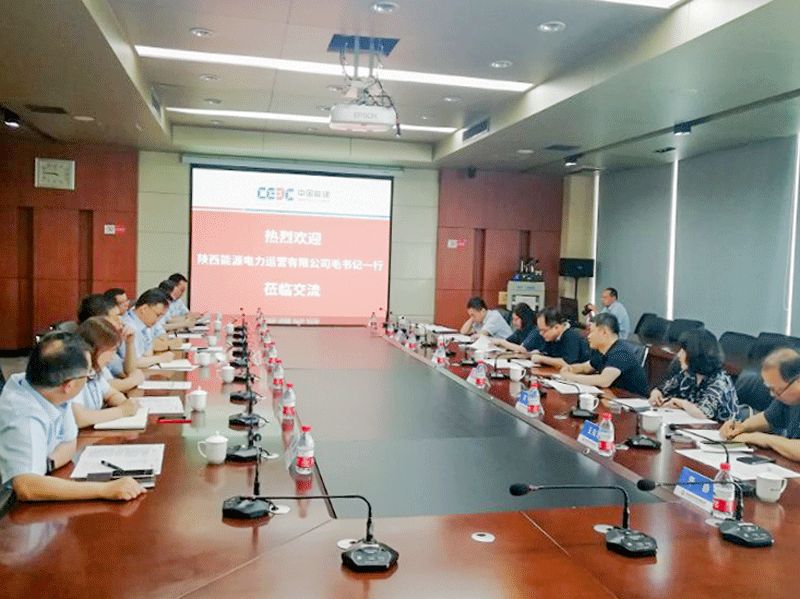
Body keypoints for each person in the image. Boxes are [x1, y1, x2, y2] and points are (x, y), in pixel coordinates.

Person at [0, 332, 146, 502]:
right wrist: (105, 489)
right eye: (88, 374)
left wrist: (43, 464)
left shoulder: (52, 391)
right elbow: (27, 487)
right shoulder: (24, 416)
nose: (91, 377)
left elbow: (70, 443)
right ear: (69, 385)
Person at [720, 348, 800, 461]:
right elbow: (767, 419)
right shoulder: (787, 399)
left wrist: (763, 439)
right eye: (770, 388)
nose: (772, 394)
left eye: (776, 390)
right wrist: (740, 427)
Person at [649, 329, 740, 422]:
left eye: (683, 351)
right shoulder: (688, 374)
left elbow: (703, 413)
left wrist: (682, 403)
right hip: (693, 425)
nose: (679, 355)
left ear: (695, 355)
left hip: (719, 429)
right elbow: (663, 389)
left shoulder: (719, 382)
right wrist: (656, 394)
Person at [72, 318, 140, 428]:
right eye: (111, 350)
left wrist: (125, 403)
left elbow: (110, 394)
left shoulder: (94, 370)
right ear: (94, 348)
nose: (112, 357)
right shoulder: (73, 373)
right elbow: (79, 418)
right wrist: (122, 411)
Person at [560, 313, 648, 395]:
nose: (588, 336)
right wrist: (570, 368)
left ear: (604, 332)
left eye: (591, 331)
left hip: (633, 400)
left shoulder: (621, 352)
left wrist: (571, 377)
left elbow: (604, 380)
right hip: (614, 396)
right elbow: (586, 367)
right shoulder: (601, 350)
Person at [77, 294, 144, 392]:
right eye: (116, 318)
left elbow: (129, 371)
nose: (121, 322)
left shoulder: (109, 343)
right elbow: (106, 386)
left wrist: (129, 343)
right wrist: (133, 381)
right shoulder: (94, 349)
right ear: (99, 321)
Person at [119, 288, 175, 369]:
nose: (158, 320)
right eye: (157, 315)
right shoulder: (129, 326)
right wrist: (161, 358)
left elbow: (147, 354)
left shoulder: (144, 325)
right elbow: (133, 362)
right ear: (144, 309)